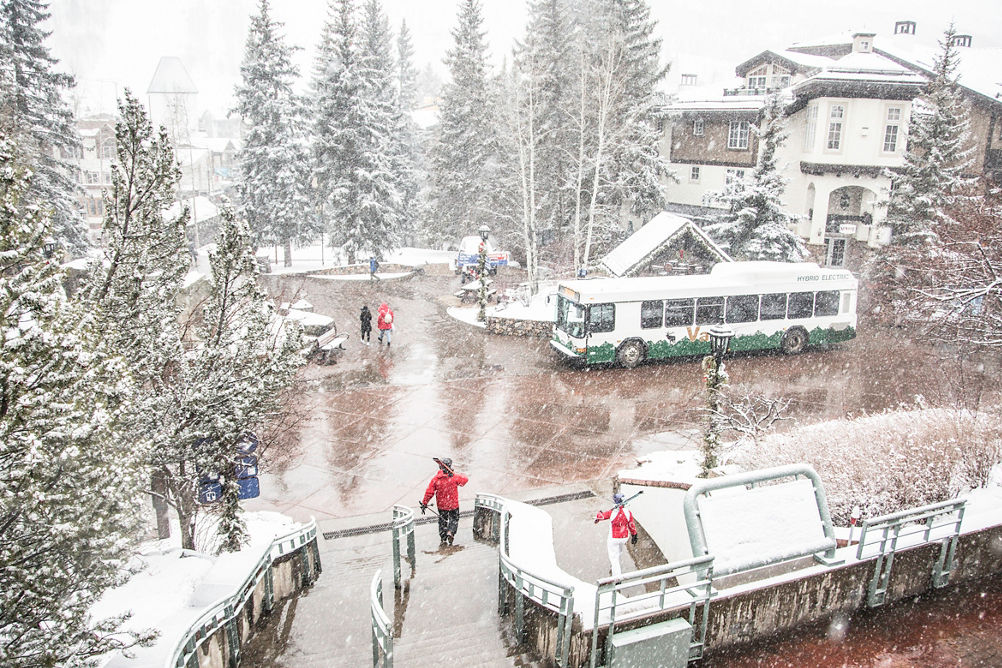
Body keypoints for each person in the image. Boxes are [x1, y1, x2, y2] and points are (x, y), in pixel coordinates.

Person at [420, 458, 468, 546]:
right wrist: (454, 473)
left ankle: (443, 537)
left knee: (442, 521)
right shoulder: (454, 478)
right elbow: (465, 480)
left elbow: (429, 492)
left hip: (442, 505)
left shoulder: (436, 479)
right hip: (453, 504)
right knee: (454, 519)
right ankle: (451, 532)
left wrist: (425, 503)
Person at [594, 493, 638, 578]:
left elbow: (601, 517)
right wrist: (634, 535)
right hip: (624, 537)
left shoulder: (612, 512)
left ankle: (617, 578)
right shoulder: (628, 512)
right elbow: (631, 525)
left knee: (614, 558)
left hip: (614, 538)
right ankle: (617, 559)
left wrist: (599, 514)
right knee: (618, 551)